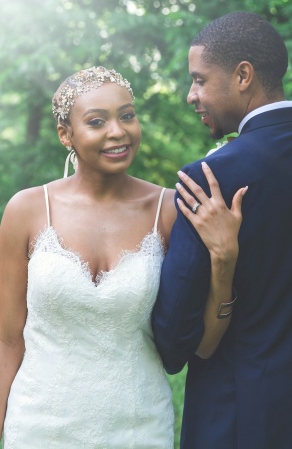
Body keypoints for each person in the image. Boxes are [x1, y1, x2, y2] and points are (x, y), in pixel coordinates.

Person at [0, 66, 246, 448]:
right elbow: (7, 341)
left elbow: (203, 344)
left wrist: (225, 258)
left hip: (138, 428)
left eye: (127, 116)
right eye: (97, 121)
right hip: (38, 426)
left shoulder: (170, 209)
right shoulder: (27, 210)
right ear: (66, 134)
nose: (118, 131)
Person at [152, 12, 292, 449]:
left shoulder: (209, 179)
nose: (190, 95)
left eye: (199, 80)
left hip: (237, 420)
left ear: (243, 75)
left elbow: (173, 339)